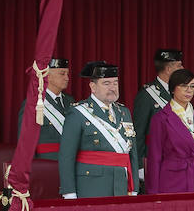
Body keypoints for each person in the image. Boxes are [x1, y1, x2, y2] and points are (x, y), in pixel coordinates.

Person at [58, 61, 139, 198]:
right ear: (93, 87)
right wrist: (69, 192)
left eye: (115, 83)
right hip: (91, 186)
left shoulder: (124, 112)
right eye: (106, 83)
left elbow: (132, 154)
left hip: (121, 184)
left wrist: (134, 187)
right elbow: (67, 157)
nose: (112, 88)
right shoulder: (78, 113)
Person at [143, 68, 194, 195]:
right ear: (173, 88)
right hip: (172, 181)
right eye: (184, 86)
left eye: (192, 86)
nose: (189, 90)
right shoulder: (161, 118)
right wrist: (153, 192)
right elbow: (154, 157)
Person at [131, 48, 183, 168]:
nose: (182, 69)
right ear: (169, 69)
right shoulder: (147, 94)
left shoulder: (180, 91)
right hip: (157, 160)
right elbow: (138, 132)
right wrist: (140, 165)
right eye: (179, 66)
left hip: (178, 158)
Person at [17, 56, 72, 160]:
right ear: (47, 77)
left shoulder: (70, 101)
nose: (67, 78)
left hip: (72, 160)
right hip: (48, 163)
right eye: (62, 74)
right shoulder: (33, 104)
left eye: (67, 74)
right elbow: (25, 144)